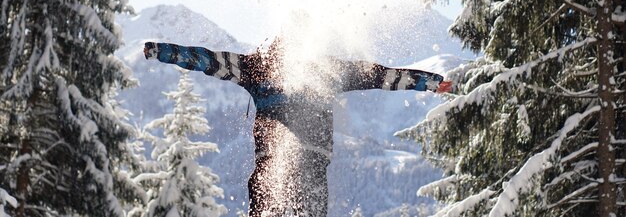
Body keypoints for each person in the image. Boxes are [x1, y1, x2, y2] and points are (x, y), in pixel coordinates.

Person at [143, 39, 452, 217]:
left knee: (275, 203)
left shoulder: (268, 66)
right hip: (289, 163)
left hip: (296, 164)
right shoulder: (265, 66)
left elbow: (380, 76)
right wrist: (160, 50)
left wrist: (430, 82)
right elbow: (204, 59)